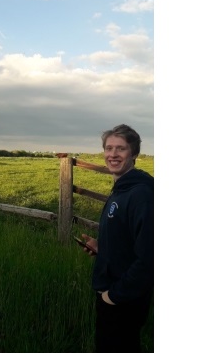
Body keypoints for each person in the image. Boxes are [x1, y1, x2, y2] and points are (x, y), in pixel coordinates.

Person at [81, 124, 154, 353]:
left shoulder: (141, 195)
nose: (113, 154)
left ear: (134, 154)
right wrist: (103, 249)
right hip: (113, 289)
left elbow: (150, 257)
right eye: (109, 148)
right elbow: (129, 242)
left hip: (123, 297)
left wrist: (113, 296)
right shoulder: (121, 189)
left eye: (120, 149)